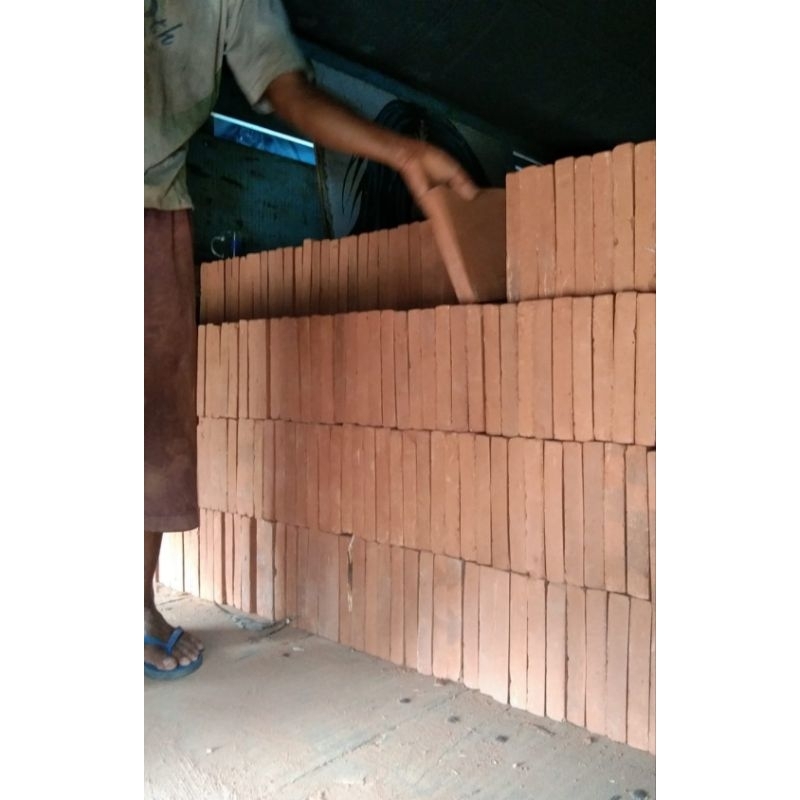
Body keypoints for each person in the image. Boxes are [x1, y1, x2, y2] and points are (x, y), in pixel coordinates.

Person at [144, 0, 478, 679]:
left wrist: (402, 151)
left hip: (154, 206)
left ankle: (130, 607)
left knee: (154, 429)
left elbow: (288, 89)